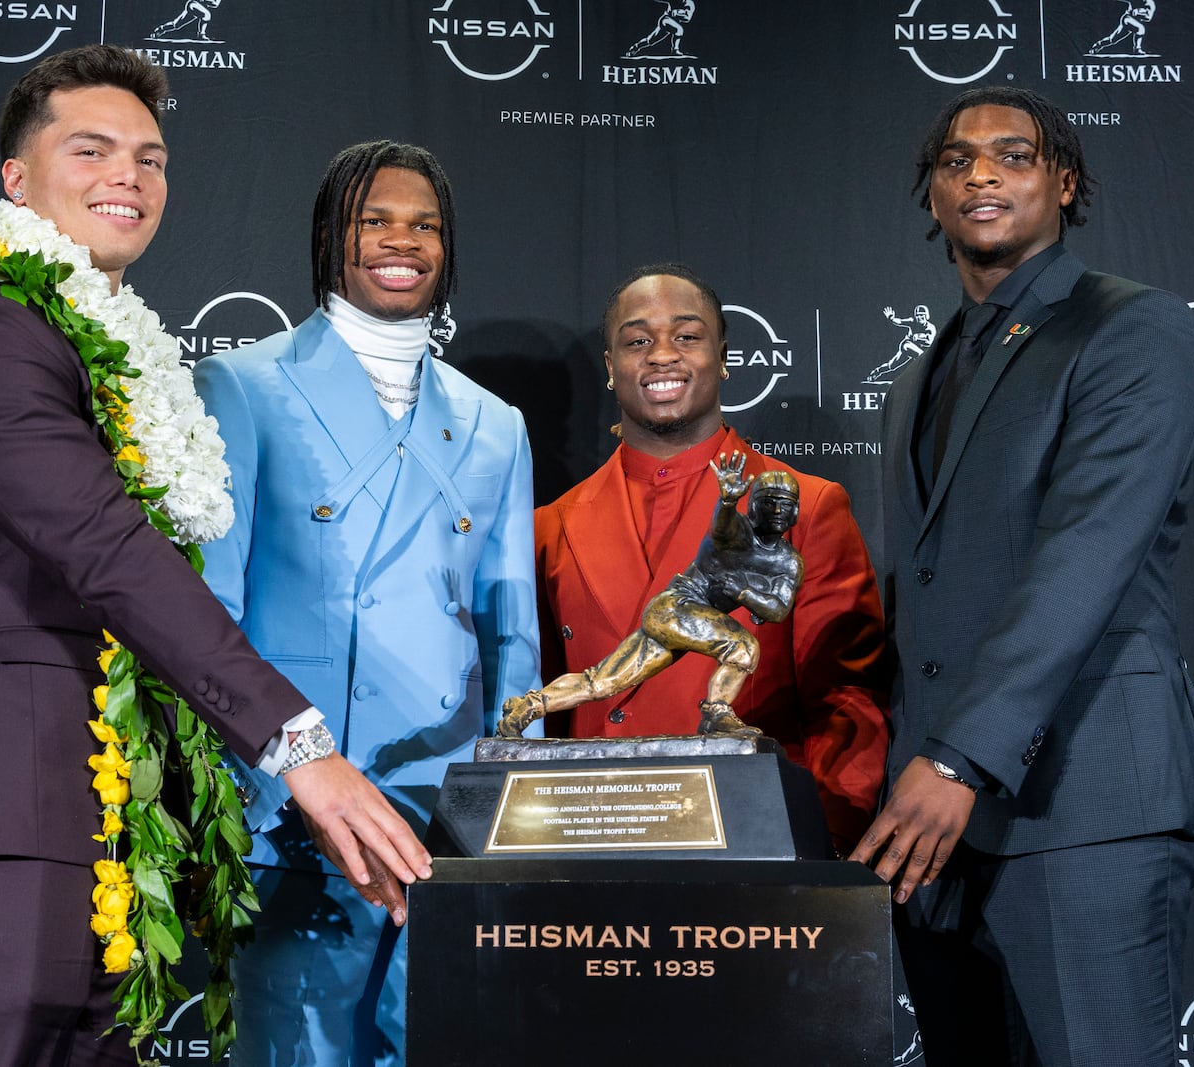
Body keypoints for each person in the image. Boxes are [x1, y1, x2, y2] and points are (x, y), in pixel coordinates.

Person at [0, 47, 430, 1067]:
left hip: (114, 821)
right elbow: (104, 549)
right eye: (93, 149)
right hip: (4, 805)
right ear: (17, 180)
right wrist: (301, 748)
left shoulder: (106, 345)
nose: (129, 175)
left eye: (150, 157)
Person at [848, 86, 1194, 1064]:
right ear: (930, 197)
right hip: (933, 830)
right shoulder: (917, 375)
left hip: (1081, 800)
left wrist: (955, 762)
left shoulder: (1131, 329)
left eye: (1013, 155)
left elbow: (1086, 556)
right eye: (955, 161)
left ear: (1065, 183)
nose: (980, 172)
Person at [193, 140, 540, 1066]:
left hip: (447, 818)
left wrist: (508, 812)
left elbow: (514, 636)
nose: (402, 240)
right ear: (328, 236)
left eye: (424, 224)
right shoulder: (244, 384)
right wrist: (251, 795)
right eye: (374, 219)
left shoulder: (496, 422)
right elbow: (210, 615)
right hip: (294, 810)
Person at [523, 264, 890, 851]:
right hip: (585, 840)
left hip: (752, 842)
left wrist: (824, 844)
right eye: (637, 340)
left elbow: (845, 699)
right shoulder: (548, 527)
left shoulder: (808, 505)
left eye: (687, 336)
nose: (662, 355)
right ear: (611, 368)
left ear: (722, 359)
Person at [499, 451, 803, 739]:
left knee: (602, 681)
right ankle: (716, 713)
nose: (776, 510)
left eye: (785, 503)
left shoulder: (789, 562)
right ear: (752, 506)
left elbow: (777, 609)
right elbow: (723, 528)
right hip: (676, 607)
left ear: (796, 511)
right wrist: (726, 501)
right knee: (744, 647)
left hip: (676, 620)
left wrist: (744, 592)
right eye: (768, 501)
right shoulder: (736, 531)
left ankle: (527, 706)